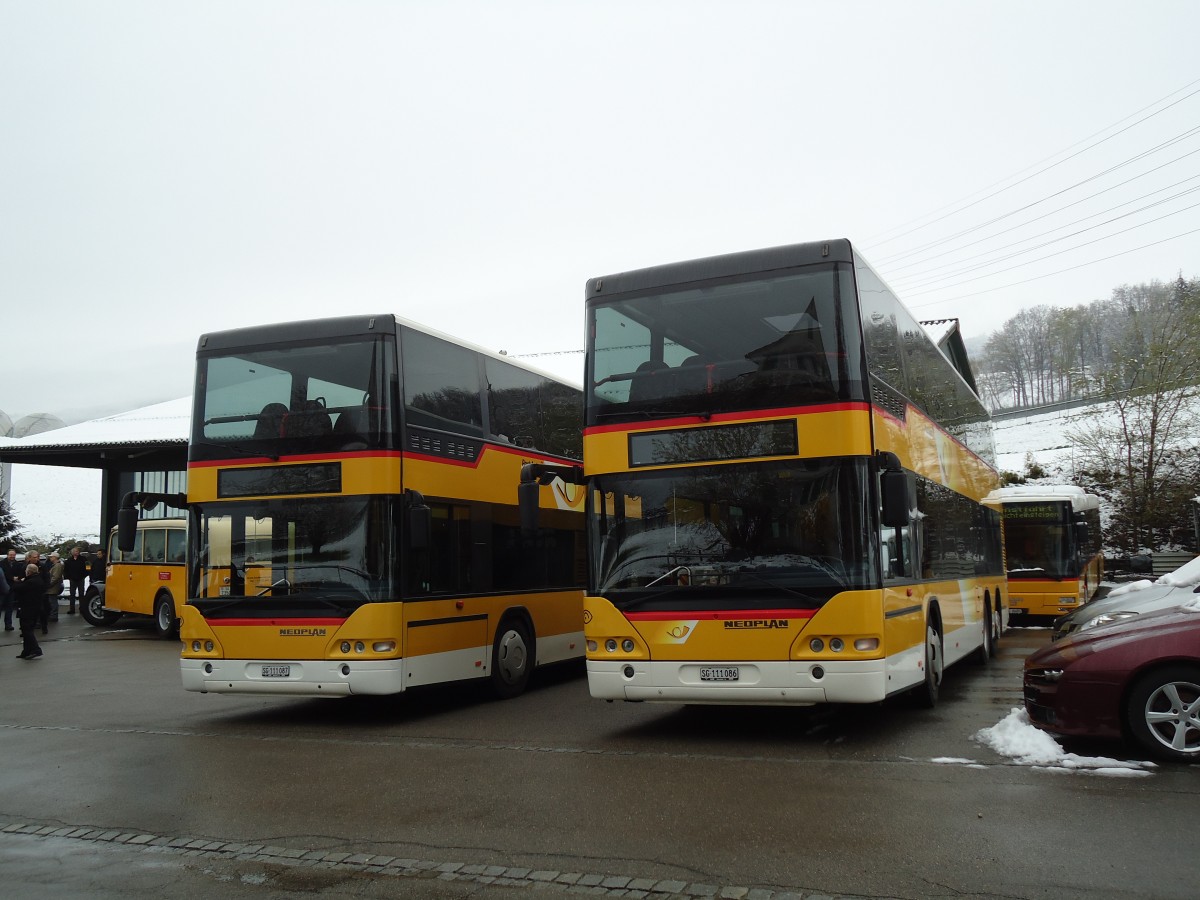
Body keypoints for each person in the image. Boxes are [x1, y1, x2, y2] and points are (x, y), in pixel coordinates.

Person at [14, 562, 45, 659]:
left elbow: (17, 588)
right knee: (28, 629)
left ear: (29, 572)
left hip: (27, 608)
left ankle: (36, 649)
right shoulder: (38, 580)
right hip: (36, 608)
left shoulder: (30, 582)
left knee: (27, 630)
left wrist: (19, 581)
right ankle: (26, 651)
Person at [0, 549, 22, 631]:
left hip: (12, 589)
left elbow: (20, 573)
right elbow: (2, 575)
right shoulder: (1, 564)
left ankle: (8, 625)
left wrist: (18, 579)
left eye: (13, 555)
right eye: (11, 555)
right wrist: (12, 578)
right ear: (7, 555)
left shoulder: (18, 564)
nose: (12, 556)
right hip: (1, 589)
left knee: (9, 608)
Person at [64, 546, 88, 614]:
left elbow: (88, 567)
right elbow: (66, 570)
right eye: (75, 551)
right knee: (72, 595)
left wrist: (85, 574)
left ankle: (82, 609)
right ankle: (72, 609)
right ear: (72, 553)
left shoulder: (84, 559)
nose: (76, 552)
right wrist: (68, 577)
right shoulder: (68, 560)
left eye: (77, 551)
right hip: (72, 579)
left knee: (81, 594)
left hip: (81, 578)